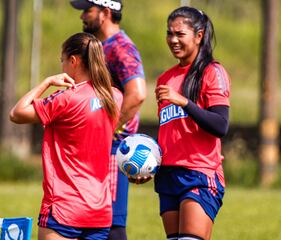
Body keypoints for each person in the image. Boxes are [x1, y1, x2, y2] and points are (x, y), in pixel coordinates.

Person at [9, 32, 122, 240]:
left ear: (74, 61)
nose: (62, 67)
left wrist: (47, 82)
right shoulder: (115, 97)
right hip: (100, 211)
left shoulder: (66, 98)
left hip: (64, 208)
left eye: (62, 61)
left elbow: (16, 113)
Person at [70, 1, 147, 239]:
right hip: (99, 145)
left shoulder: (121, 47)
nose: (82, 16)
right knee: (90, 220)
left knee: (112, 224)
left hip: (113, 147)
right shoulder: (103, 46)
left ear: (105, 13)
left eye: (87, 10)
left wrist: (109, 128)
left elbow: (137, 94)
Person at [154, 6, 231, 240]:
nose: (173, 40)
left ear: (198, 36)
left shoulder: (212, 72)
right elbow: (170, 133)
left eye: (180, 34)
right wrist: (149, 163)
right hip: (168, 175)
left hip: (199, 173)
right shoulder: (165, 78)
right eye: (170, 33)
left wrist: (184, 102)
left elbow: (221, 125)